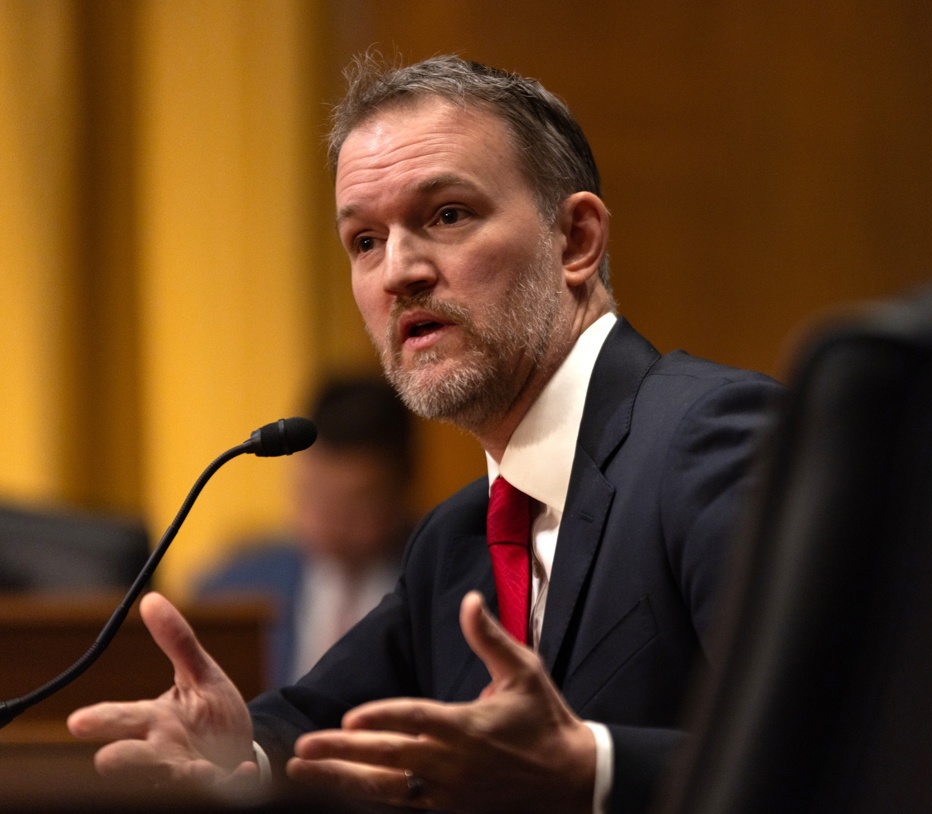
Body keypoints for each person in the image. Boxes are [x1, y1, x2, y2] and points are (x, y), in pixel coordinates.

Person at [67, 55, 782, 813]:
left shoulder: (711, 441)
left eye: (446, 215)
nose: (398, 272)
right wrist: (235, 754)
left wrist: (594, 767)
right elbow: (316, 723)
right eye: (365, 240)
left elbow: (844, 741)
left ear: (575, 239)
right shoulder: (457, 542)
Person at [197, 375, 416, 686]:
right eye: (317, 493)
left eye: (355, 502)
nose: (332, 519)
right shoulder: (232, 595)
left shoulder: (440, 584)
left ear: (402, 488)